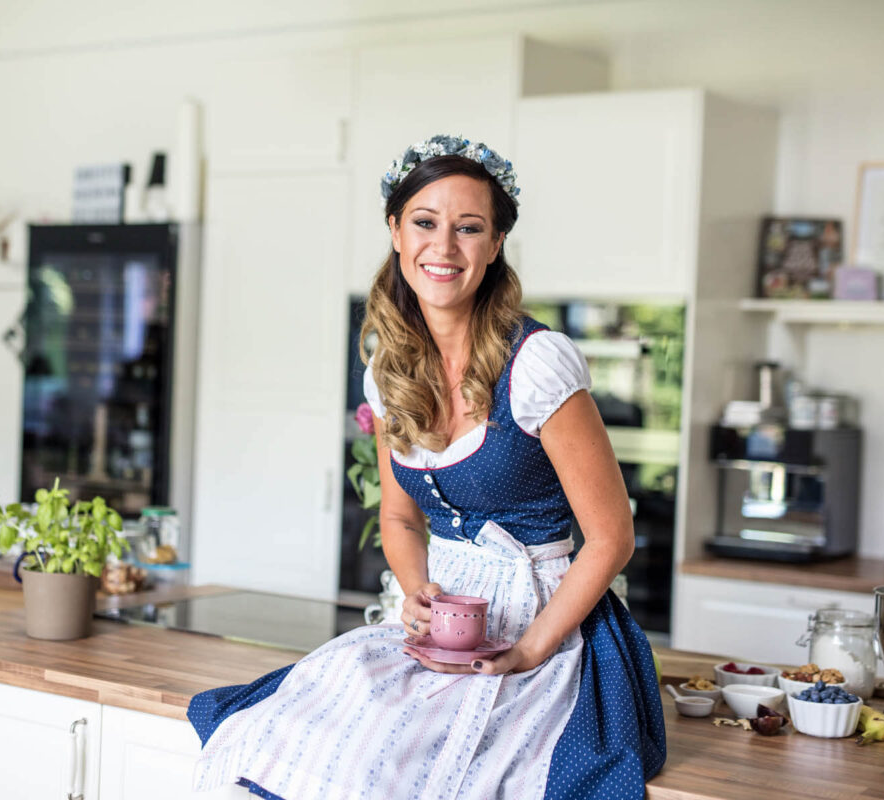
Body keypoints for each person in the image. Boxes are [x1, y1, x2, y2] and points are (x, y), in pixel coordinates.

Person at [188, 135, 667, 799]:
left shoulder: (536, 364)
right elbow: (397, 514)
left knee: (417, 770)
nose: (443, 248)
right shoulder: (390, 369)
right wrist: (417, 590)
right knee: (300, 726)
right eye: (425, 222)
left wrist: (529, 648)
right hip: (439, 625)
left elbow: (612, 538)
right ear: (395, 229)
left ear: (495, 244)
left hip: (548, 624)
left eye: (469, 228)